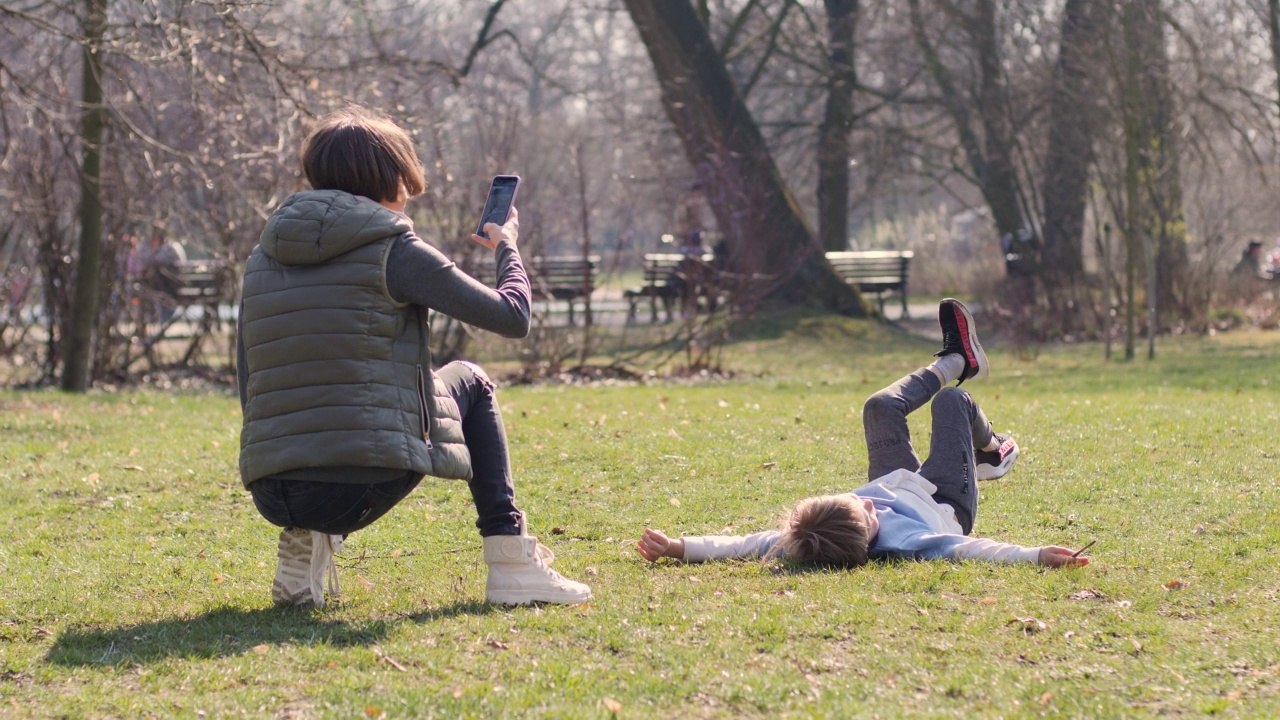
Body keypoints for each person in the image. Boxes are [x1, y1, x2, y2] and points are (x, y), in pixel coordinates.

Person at [238, 106, 591, 607]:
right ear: (392, 173)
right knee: (470, 378)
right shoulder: (394, 249)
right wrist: (506, 245)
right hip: (359, 485)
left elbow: (247, 380)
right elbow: (513, 317)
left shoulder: (262, 258)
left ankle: (307, 540)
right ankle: (512, 562)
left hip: (273, 491)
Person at [636, 299, 1089, 570]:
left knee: (879, 407)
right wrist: (1035, 556)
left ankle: (957, 360)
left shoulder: (803, 538)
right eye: (869, 513)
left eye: (855, 499)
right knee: (952, 404)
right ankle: (992, 452)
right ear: (870, 539)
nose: (868, 501)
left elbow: (740, 545)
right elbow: (973, 550)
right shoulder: (910, 544)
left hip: (897, 477)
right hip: (944, 501)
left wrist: (677, 547)